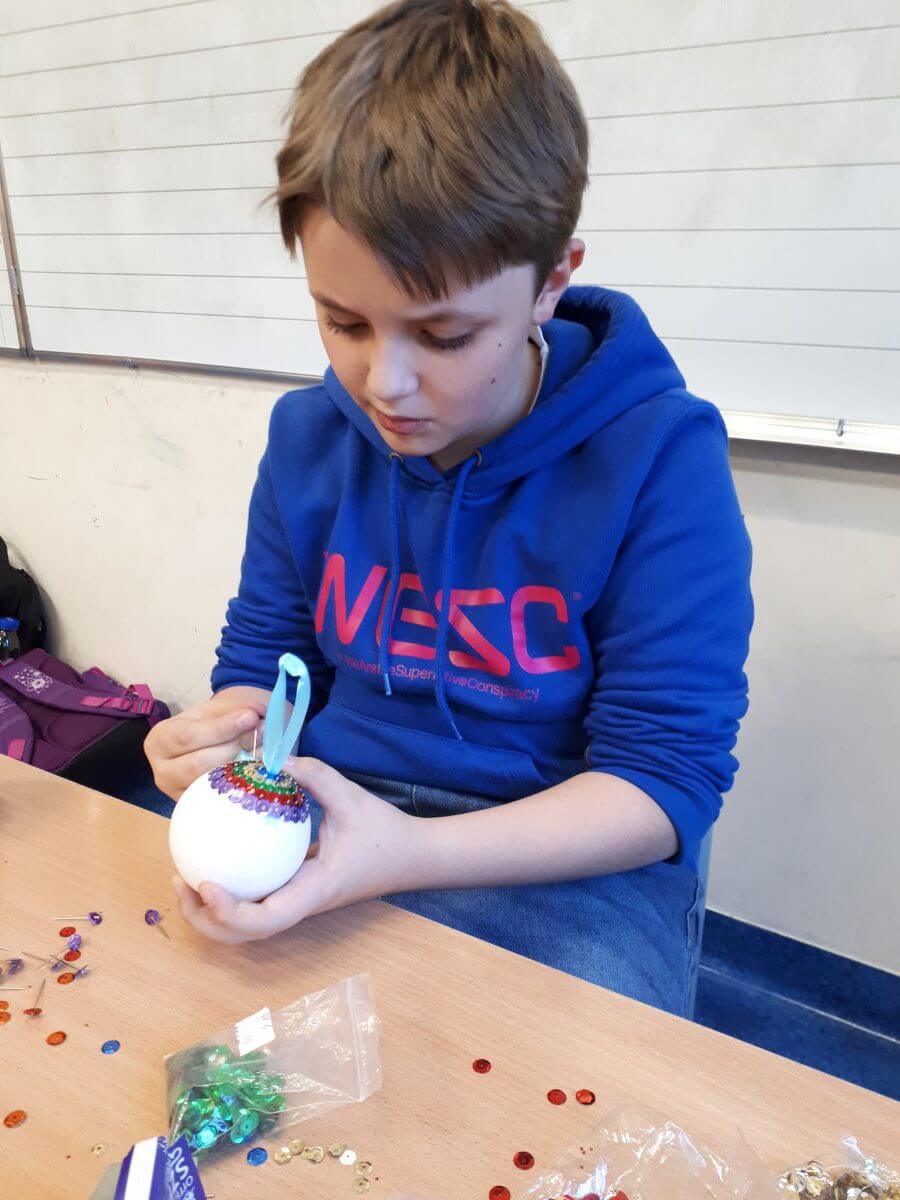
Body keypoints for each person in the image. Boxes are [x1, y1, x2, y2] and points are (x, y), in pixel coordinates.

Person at [145, 0, 753, 1015]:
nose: (385, 385)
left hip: (562, 868)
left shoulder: (658, 456)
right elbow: (267, 665)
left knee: (567, 1088)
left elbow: (662, 783)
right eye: (343, 322)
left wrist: (411, 853)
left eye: (446, 336)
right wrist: (222, 741)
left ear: (551, 283)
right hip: (339, 814)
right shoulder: (308, 437)